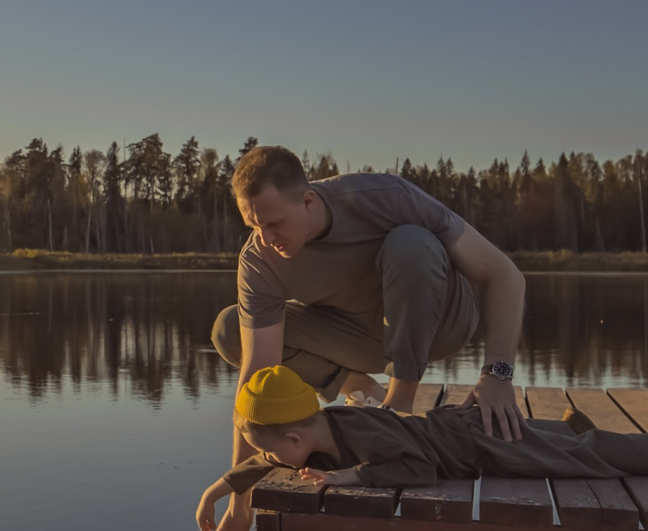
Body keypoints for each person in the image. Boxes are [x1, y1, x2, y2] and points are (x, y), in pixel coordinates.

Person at [196, 365, 648, 531]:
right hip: (465, 429)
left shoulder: (361, 436)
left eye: (277, 454)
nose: (274, 464)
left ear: (296, 438)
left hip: (482, 446)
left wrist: (353, 477)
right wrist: (220, 488)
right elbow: (264, 458)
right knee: (554, 444)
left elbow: (418, 468)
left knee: (587, 460)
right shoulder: (322, 426)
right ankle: (565, 426)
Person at [214, 147, 527, 459]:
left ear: (307, 201)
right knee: (231, 329)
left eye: (274, 223)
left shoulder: (386, 197)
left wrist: (497, 375)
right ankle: (358, 386)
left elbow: (504, 274)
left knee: (411, 243)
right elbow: (258, 376)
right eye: (254, 226)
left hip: (444, 323)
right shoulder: (259, 260)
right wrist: (240, 482)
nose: (265, 239)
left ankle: (398, 407)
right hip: (361, 338)